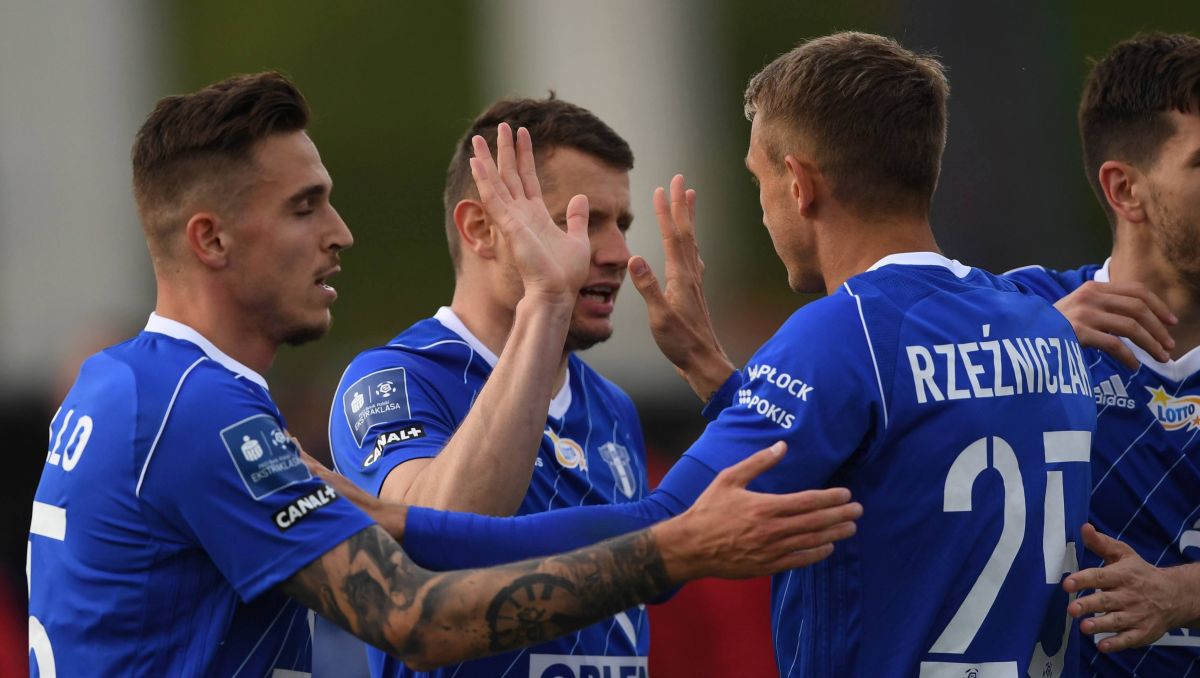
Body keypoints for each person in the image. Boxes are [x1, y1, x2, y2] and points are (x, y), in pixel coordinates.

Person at [25, 71, 863, 677]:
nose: (342, 232)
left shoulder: (144, 389)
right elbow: (414, 611)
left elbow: (399, 535)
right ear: (210, 239)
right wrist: (671, 546)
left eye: (620, 222)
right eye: (305, 206)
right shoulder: (234, 404)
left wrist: (709, 389)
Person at [388, 32, 1098, 676]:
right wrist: (717, 376)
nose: (762, 210)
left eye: (759, 182)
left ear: (800, 184)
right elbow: (885, 464)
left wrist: (402, 524)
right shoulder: (1042, 324)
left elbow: (674, 524)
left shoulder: (842, 332)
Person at [327, 96, 735, 677]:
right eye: (578, 222)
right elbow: (435, 540)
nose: (618, 254)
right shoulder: (396, 379)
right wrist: (547, 298)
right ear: (480, 229)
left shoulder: (611, 405)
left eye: (621, 225)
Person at [1002, 32, 1200, 674]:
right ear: (1125, 189)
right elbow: (886, 451)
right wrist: (1033, 349)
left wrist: (1181, 593)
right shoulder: (1022, 311)